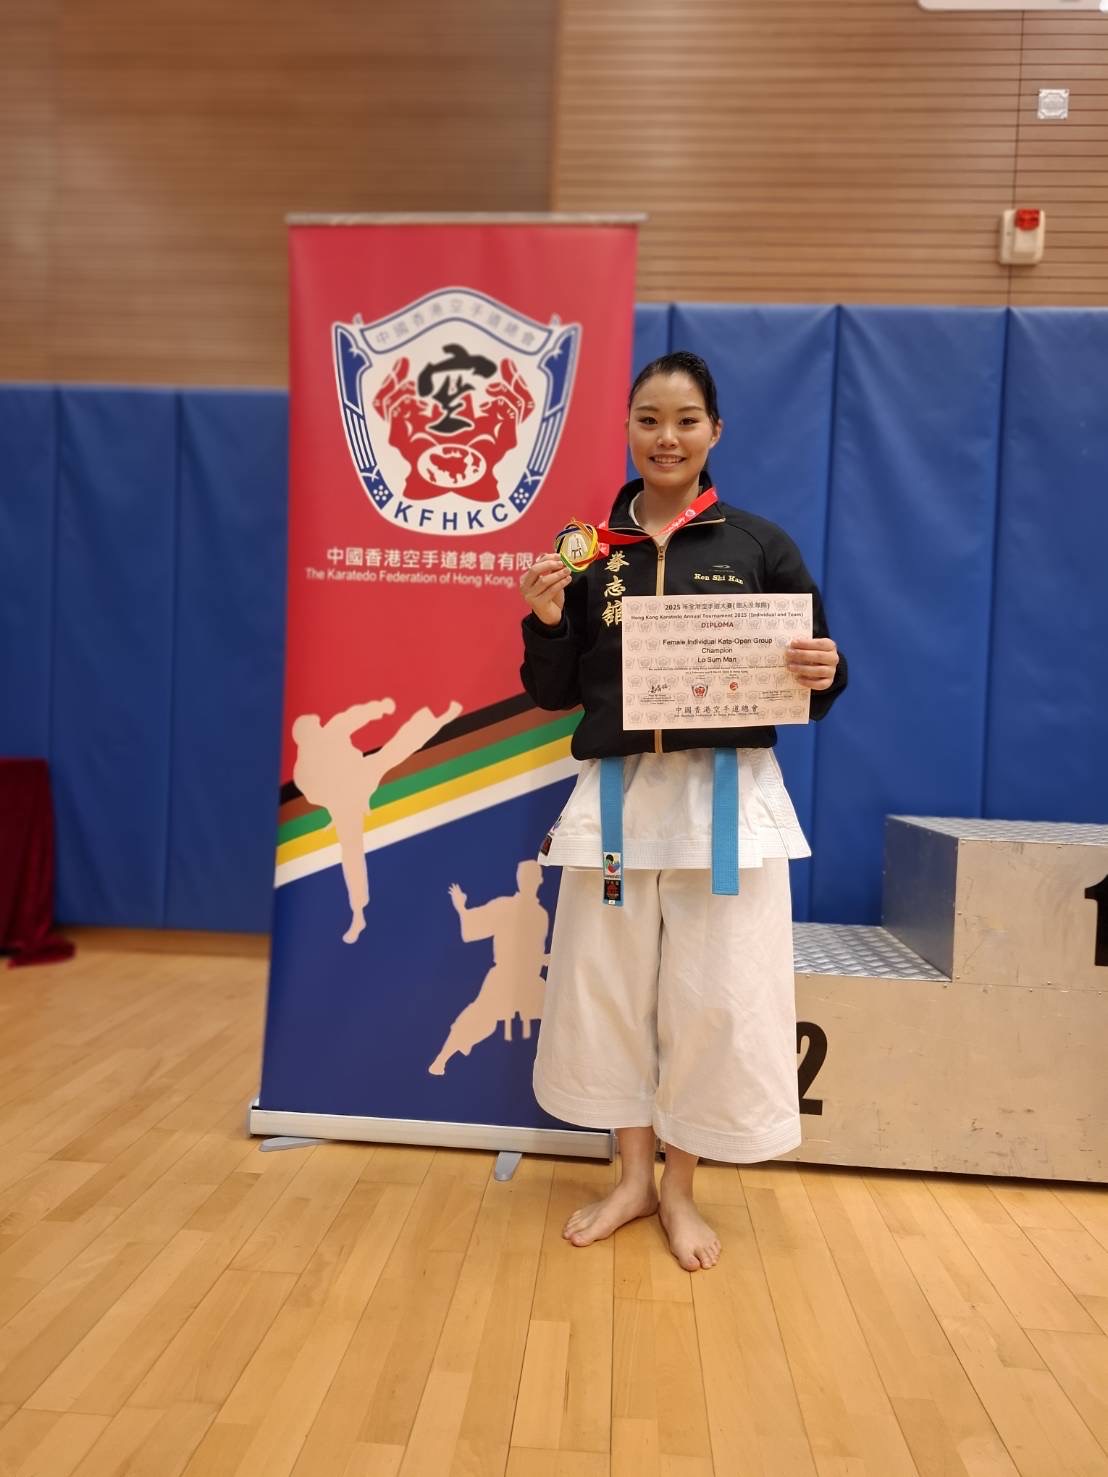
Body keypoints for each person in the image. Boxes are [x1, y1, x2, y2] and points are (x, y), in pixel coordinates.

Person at [518, 351, 847, 1271]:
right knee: (610, 991)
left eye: (686, 420)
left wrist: (826, 669)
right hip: (618, 803)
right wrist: (546, 621)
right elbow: (552, 691)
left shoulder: (759, 546)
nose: (667, 437)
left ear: (715, 432)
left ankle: (681, 1187)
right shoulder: (591, 553)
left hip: (726, 803)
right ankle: (631, 1177)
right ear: (628, 428)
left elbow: (816, 676)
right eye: (650, 419)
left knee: (713, 997)